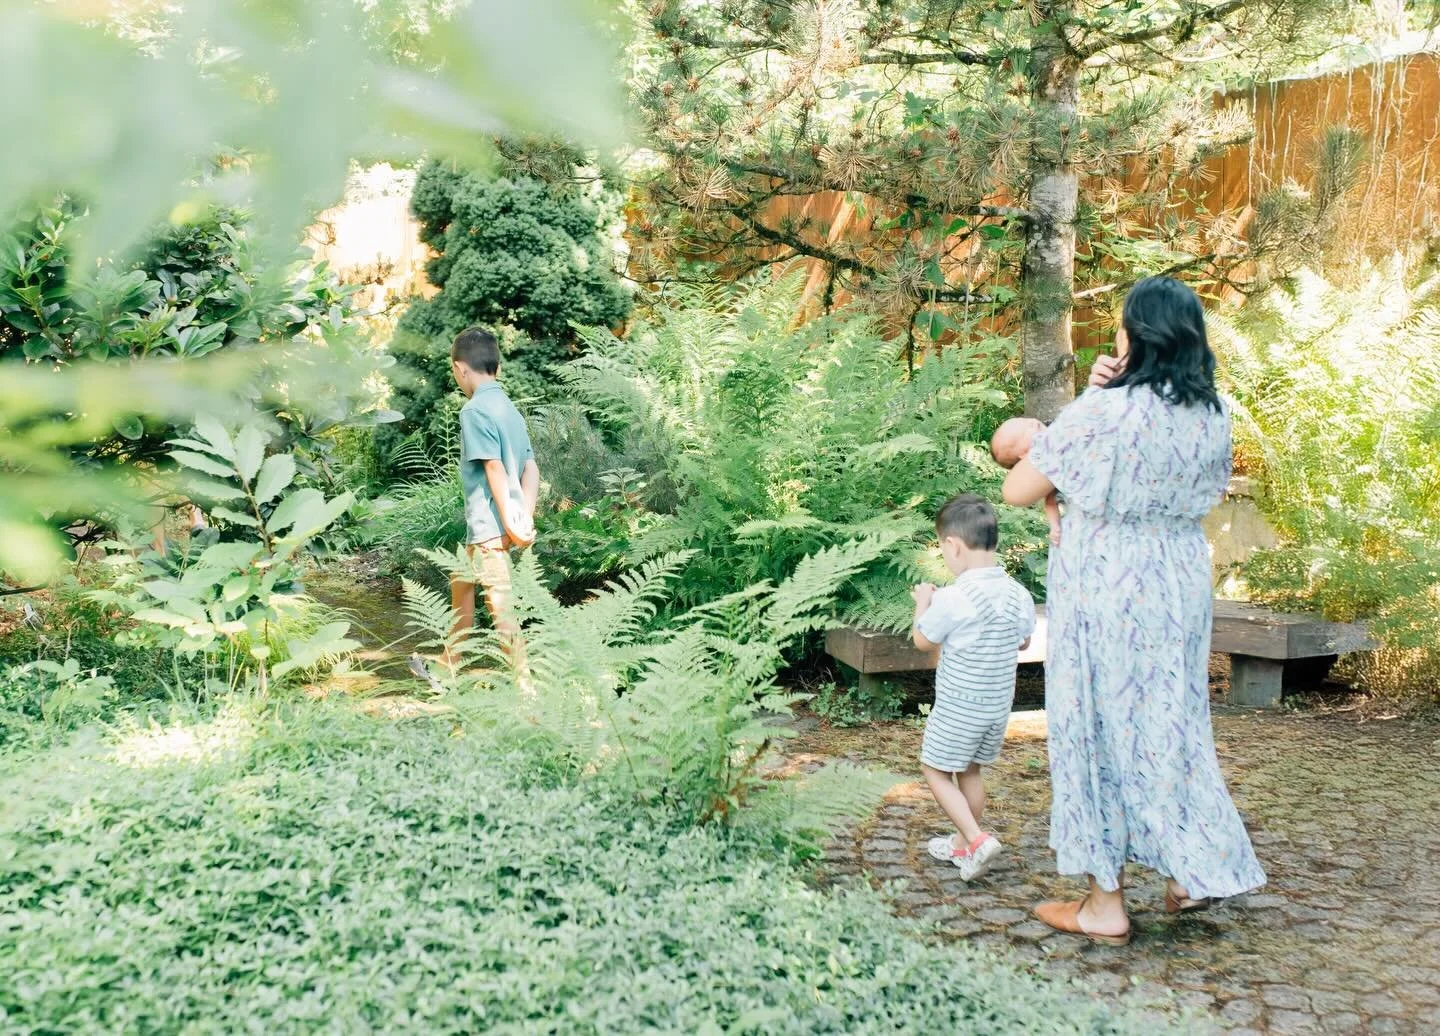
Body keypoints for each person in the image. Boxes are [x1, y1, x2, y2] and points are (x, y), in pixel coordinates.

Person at [1002, 276, 1265, 946]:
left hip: (1107, 582)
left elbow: (1019, 487)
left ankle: (1104, 903)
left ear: (1133, 336)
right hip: (1178, 580)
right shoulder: (1218, 411)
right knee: (1171, 724)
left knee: (1097, 724)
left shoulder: (1103, 412)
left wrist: (1091, 400)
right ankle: (1190, 868)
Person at [911, 493, 1037, 881]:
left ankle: (976, 839)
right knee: (970, 771)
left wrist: (923, 601)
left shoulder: (953, 597)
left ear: (953, 546)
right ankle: (963, 846)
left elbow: (923, 640)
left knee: (934, 769)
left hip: (958, 706)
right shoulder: (1020, 595)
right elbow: (1023, 642)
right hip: (997, 706)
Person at [412, 327, 539, 679]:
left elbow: (494, 467)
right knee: (461, 585)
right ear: (496, 367)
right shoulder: (509, 409)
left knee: (502, 612)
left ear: (460, 369)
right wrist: (523, 518)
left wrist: (512, 524)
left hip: (489, 528)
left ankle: (527, 693)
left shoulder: (474, 411)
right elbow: (531, 468)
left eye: (456, 373)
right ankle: (445, 669)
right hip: (494, 527)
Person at [989, 418, 1061, 545]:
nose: (1032, 422)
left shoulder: (1059, 427)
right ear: (1025, 455)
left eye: (1024, 420)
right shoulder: (1045, 471)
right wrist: (1055, 526)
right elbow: (1050, 503)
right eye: (1024, 431)